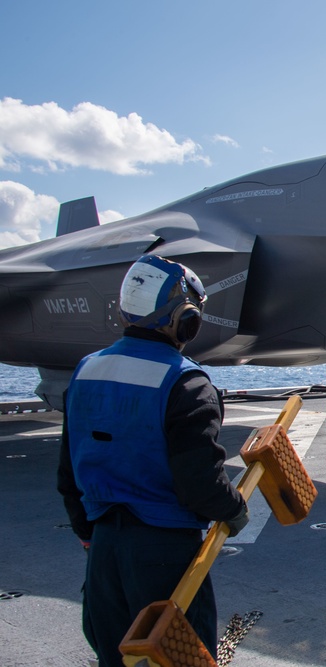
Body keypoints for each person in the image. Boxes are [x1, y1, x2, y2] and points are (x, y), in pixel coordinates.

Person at [56, 254, 249, 665]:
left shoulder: (87, 370)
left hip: (104, 550)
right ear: (186, 320)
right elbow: (199, 481)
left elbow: (68, 471)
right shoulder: (186, 382)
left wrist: (89, 535)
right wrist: (235, 510)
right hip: (166, 554)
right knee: (183, 657)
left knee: (116, 655)